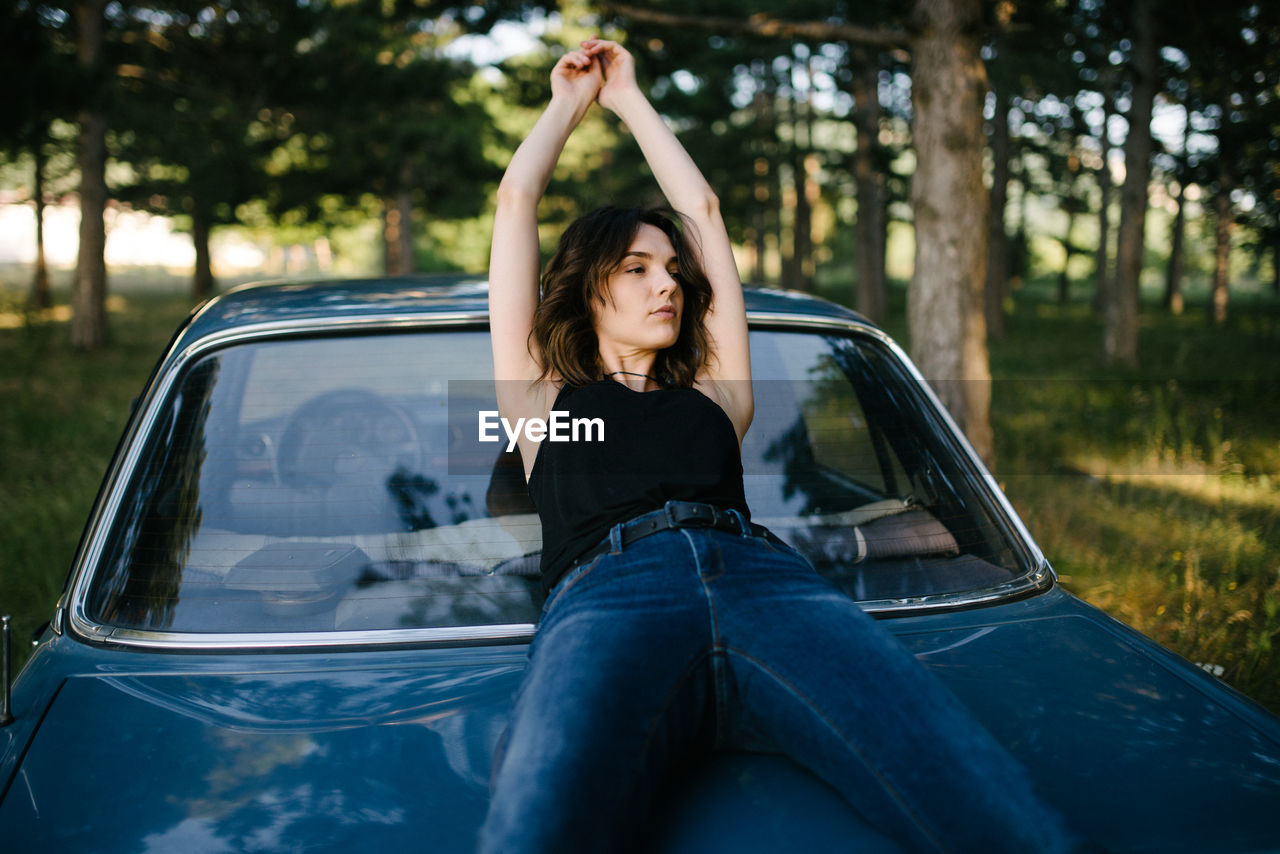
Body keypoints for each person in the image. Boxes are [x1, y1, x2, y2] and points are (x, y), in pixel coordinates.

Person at [480, 38, 1087, 854]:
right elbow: (517, 203)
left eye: (670, 270)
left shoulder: (718, 395)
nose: (667, 283)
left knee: (973, 788)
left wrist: (630, 100)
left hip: (768, 584)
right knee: (539, 824)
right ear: (587, 289)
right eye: (635, 268)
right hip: (607, 597)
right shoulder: (538, 402)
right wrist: (568, 105)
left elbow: (704, 214)